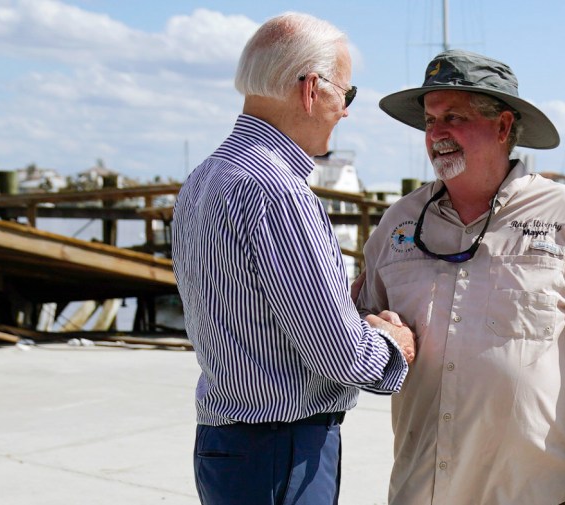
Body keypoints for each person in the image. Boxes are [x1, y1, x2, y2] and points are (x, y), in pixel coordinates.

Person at [356, 49, 565, 505]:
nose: (437, 134)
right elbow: (346, 330)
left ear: (503, 127)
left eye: (454, 117)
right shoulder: (400, 223)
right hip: (421, 493)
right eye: (431, 121)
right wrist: (372, 331)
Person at [172, 12, 415, 505]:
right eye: (345, 95)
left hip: (224, 443)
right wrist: (392, 343)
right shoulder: (278, 191)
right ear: (310, 89)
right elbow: (343, 356)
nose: (345, 111)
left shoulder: (202, 178)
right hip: (282, 449)